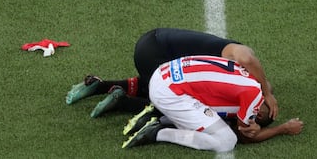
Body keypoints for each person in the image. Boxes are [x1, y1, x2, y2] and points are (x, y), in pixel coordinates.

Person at [65, 28, 278, 121]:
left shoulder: (233, 70)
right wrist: (267, 93)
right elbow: (248, 59)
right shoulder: (241, 55)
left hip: (151, 44)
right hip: (157, 51)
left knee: (163, 83)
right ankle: (122, 103)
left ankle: (99, 85)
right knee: (178, 104)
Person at [122, 55, 304, 151]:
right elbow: (246, 137)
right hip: (169, 93)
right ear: (260, 114)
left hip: (164, 73)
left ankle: (157, 115)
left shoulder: (249, 77)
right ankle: (159, 132)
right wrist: (283, 129)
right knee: (226, 141)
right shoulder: (253, 98)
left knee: (212, 116)